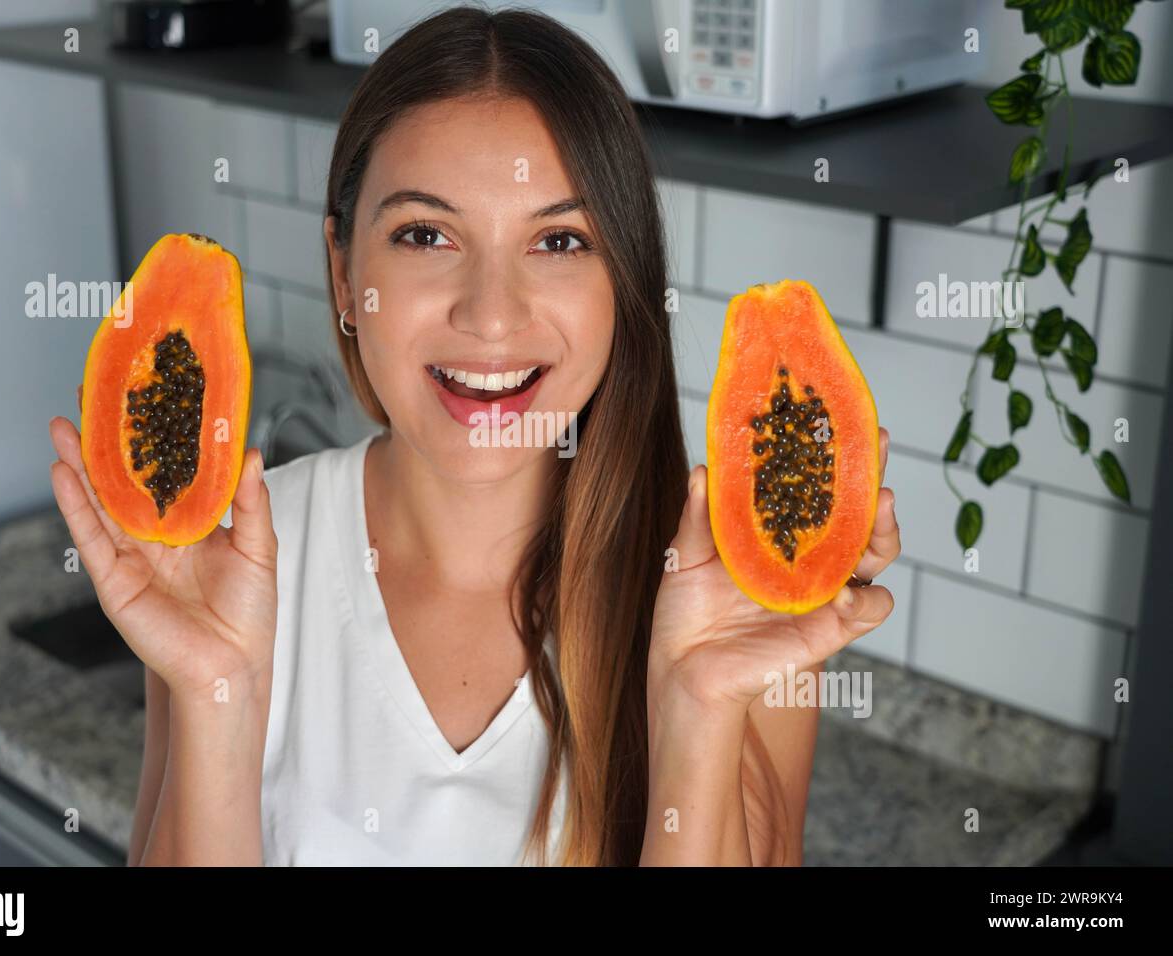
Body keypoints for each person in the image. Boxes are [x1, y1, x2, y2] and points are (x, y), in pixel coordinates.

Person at [47, 6, 900, 866]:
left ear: (625, 283)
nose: (491, 314)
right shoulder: (218, 567)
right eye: (426, 234)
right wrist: (215, 688)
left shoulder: (733, 607)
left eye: (559, 240)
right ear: (345, 275)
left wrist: (698, 706)